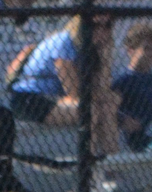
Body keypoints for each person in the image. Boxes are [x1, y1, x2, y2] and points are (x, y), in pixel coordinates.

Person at [8, 16, 118, 154]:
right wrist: (100, 96)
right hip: (31, 99)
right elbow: (73, 92)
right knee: (90, 110)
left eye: (107, 25)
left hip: (57, 99)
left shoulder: (91, 48)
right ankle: (89, 161)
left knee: (108, 105)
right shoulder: (64, 41)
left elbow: (102, 88)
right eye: (95, 25)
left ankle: (112, 159)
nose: (101, 31)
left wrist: (105, 58)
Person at [112, 20, 152, 153]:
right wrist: (124, 119)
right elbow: (110, 108)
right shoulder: (123, 80)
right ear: (131, 50)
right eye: (146, 49)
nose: (151, 53)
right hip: (140, 140)